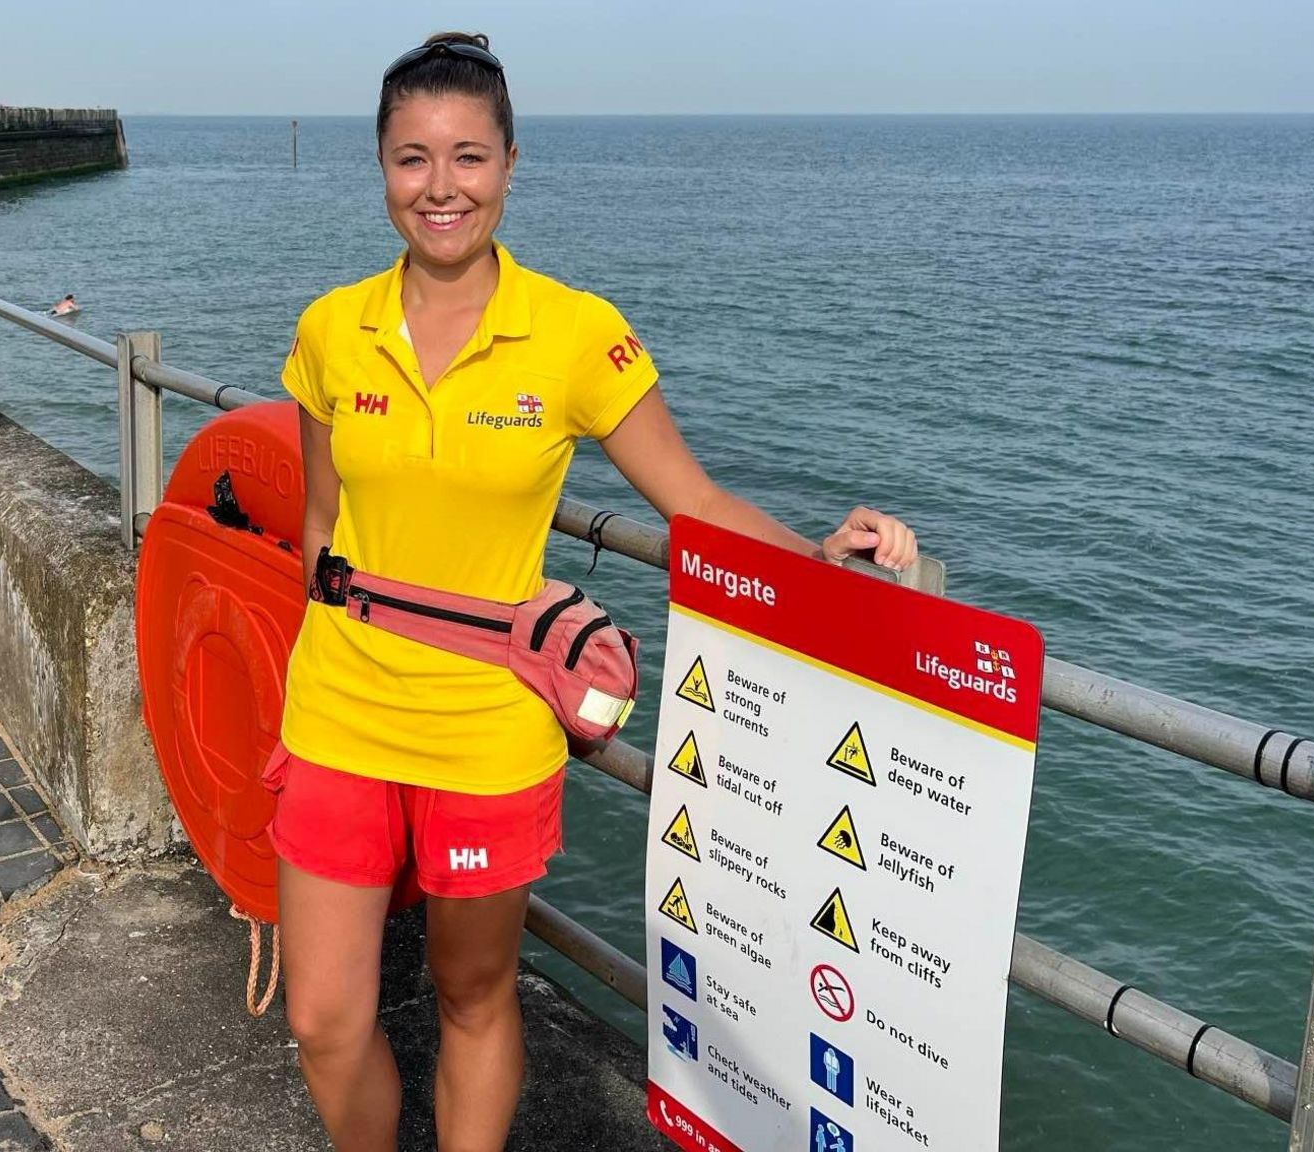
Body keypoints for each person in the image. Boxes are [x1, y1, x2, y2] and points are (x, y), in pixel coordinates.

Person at [269, 30, 919, 1152]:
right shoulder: (333, 329)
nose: (440, 187)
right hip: (338, 707)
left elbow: (695, 503)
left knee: (473, 998)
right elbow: (320, 525)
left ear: (510, 166)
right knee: (325, 1019)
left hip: (486, 723)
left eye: (467, 157)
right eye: (412, 158)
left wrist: (820, 560)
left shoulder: (575, 334)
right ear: (379, 167)